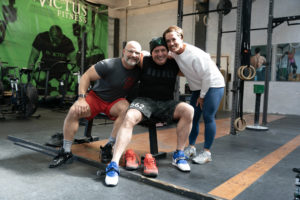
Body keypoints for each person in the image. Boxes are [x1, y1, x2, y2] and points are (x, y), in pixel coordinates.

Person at [105, 37, 194, 186]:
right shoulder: (143, 60)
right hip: (144, 101)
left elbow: (193, 67)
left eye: (163, 50)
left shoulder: (175, 63)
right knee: (129, 116)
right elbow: (129, 58)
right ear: (151, 53)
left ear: (168, 51)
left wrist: (204, 93)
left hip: (166, 103)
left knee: (189, 110)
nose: (160, 54)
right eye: (156, 51)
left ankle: (179, 154)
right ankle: (113, 164)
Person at [48, 41, 142, 168]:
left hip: (115, 101)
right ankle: (65, 151)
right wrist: (81, 99)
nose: (133, 55)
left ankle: (109, 146)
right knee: (74, 111)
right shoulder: (109, 64)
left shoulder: (139, 68)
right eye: (130, 51)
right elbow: (86, 76)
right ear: (124, 51)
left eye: (137, 53)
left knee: (126, 109)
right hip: (96, 97)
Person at [163, 25, 225, 165]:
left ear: (181, 38)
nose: (171, 43)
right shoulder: (174, 53)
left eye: (174, 39)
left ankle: (207, 152)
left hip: (213, 85)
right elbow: (165, 55)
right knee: (192, 117)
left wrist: (202, 96)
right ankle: (191, 148)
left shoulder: (195, 54)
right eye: (168, 41)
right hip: (198, 87)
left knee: (208, 117)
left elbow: (207, 77)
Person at [27, 25, 76, 93]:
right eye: (53, 40)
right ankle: (44, 90)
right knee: (40, 76)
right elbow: (32, 59)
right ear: (50, 36)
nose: (55, 44)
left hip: (61, 69)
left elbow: (74, 63)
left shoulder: (67, 42)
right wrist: (29, 80)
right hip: (46, 68)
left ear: (61, 37)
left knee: (68, 79)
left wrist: (77, 81)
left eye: (57, 41)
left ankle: (62, 91)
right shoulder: (41, 38)